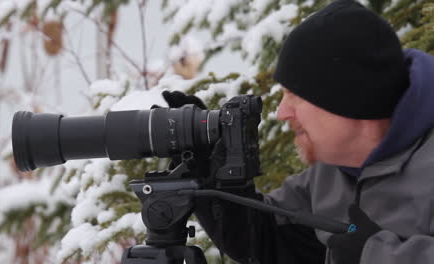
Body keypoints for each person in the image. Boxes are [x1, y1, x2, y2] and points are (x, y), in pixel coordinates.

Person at [163, 0, 434, 263]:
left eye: (295, 94)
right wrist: (212, 177)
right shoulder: (329, 172)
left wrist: (375, 255)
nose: (282, 112)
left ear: (349, 99)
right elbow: (268, 240)